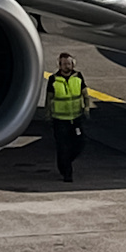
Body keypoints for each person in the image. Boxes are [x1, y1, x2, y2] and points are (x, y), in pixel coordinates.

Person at [46, 52, 93, 182]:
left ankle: (65, 162)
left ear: (73, 64)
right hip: (60, 120)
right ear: (59, 65)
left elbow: (85, 94)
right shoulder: (54, 79)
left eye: (69, 63)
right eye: (64, 64)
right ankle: (67, 173)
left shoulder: (78, 77)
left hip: (76, 118)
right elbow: (49, 98)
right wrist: (48, 114)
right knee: (63, 147)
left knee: (80, 143)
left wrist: (87, 108)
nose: (67, 66)